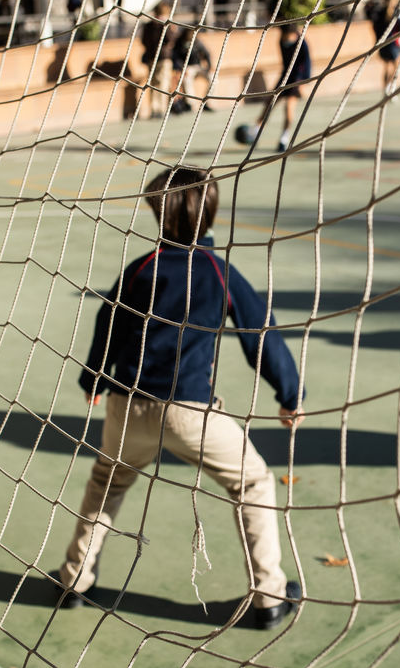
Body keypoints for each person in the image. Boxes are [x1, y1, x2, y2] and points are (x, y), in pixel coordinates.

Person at [55, 166, 305, 631]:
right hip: (190, 414)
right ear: (211, 214)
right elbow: (261, 337)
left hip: (126, 406)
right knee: (252, 484)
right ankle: (270, 597)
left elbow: (107, 322)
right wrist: (289, 395)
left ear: (157, 214)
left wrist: (93, 380)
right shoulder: (219, 271)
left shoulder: (141, 269)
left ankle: (74, 580)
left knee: (106, 481)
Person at [249, 23, 312, 153]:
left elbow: (306, 64)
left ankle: (284, 138)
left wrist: (302, 83)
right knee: (270, 102)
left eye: (288, 36)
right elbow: (285, 63)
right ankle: (255, 131)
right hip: (285, 76)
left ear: (294, 34)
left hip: (297, 79)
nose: (285, 39)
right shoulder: (281, 41)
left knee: (288, 108)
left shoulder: (302, 43)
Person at [139, 3, 176, 118]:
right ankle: (161, 109)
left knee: (153, 82)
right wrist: (171, 28)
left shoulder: (149, 25)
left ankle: (155, 108)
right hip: (163, 57)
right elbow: (171, 39)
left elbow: (143, 41)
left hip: (151, 56)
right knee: (162, 82)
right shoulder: (165, 25)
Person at [369, 0, 400, 92]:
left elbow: (374, 27)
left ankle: (386, 88)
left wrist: (377, 41)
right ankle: (390, 87)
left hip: (382, 45)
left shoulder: (379, 12)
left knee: (387, 67)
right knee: (395, 67)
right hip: (392, 45)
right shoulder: (397, 13)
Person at [170, 27, 214, 113]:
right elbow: (175, 57)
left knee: (213, 79)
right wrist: (182, 68)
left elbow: (207, 54)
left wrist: (209, 67)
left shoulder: (197, 41)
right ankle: (190, 104)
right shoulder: (179, 42)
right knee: (187, 80)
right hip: (187, 68)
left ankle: (206, 102)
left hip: (198, 66)